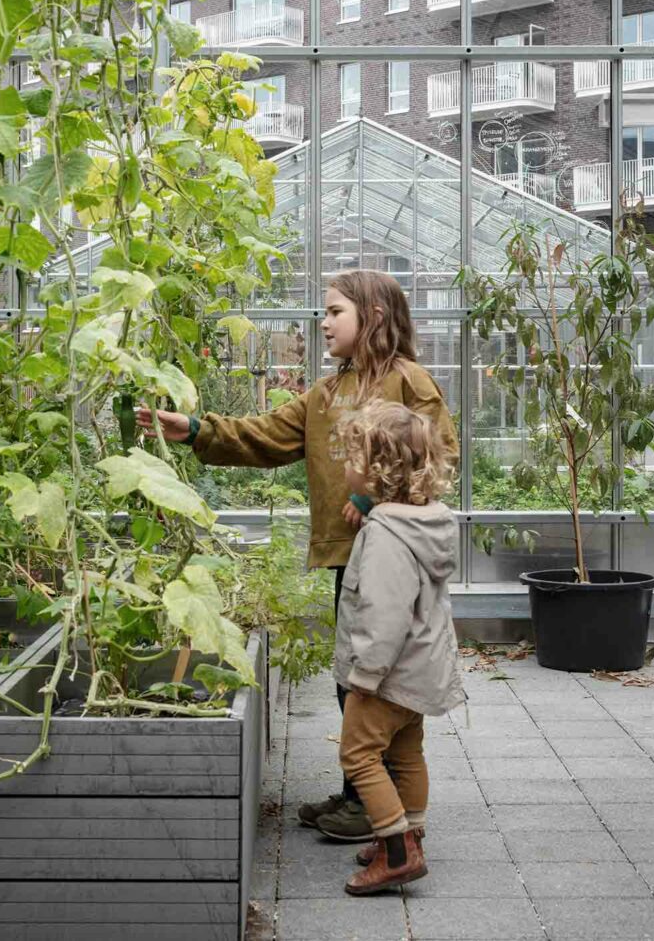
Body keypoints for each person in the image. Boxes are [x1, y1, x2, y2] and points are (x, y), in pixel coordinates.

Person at [137, 269, 458, 840]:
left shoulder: (410, 382)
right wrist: (193, 429)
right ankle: (368, 794)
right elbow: (266, 435)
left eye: (335, 311)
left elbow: (438, 453)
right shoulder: (327, 393)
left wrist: (370, 494)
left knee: (378, 677)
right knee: (354, 675)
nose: (325, 321)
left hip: (397, 556)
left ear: (374, 318)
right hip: (349, 555)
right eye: (325, 312)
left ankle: (374, 803)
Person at [333, 399, 464, 895]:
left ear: (378, 472)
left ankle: (395, 853)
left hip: (387, 675)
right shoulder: (423, 521)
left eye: (352, 458)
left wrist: (364, 677)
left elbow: (383, 617)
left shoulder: (386, 536)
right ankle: (409, 835)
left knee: (359, 754)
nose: (345, 467)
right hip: (419, 671)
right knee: (407, 754)